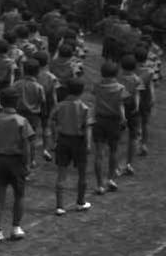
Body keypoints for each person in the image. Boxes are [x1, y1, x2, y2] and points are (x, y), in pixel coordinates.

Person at [0, 88, 34, 242]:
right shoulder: (21, 121)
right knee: (19, 195)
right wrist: (27, 163)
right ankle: (16, 227)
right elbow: (26, 144)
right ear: (17, 102)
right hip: (16, 161)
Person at [53, 79, 92, 214]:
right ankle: (80, 202)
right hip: (78, 141)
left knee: (61, 174)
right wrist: (88, 144)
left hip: (63, 139)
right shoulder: (84, 108)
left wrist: (54, 138)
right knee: (82, 174)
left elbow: (53, 122)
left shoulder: (60, 105)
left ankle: (59, 206)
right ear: (81, 91)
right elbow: (87, 128)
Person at [91, 61, 129, 195]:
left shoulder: (97, 86)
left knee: (99, 154)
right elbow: (121, 106)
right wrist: (123, 119)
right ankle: (110, 179)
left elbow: (94, 100)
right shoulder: (120, 88)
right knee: (113, 151)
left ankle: (99, 184)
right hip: (113, 122)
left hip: (99, 120)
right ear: (116, 73)